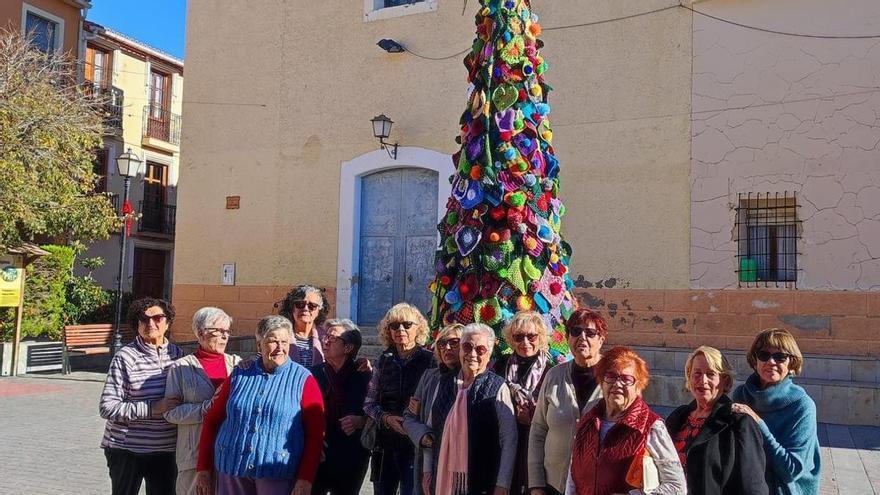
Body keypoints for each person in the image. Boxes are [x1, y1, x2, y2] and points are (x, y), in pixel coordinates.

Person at [195, 315, 325, 495]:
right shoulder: (240, 373)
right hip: (231, 470)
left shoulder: (304, 380)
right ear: (259, 345)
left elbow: (315, 435)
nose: (280, 348)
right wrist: (204, 469)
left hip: (277, 473)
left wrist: (305, 479)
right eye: (272, 341)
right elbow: (212, 421)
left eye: (285, 342)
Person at [566, 346, 686, 495]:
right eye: (611, 376)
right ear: (602, 382)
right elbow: (572, 480)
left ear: (638, 387)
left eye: (626, 379)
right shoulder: (587, 423)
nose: (617, 384)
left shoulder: (651, 427)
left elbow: (676, 486)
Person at [99, 297, 185, 495]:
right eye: (143, 319)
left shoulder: (178, 356)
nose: (150, 324)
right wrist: (153, 407)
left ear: (168, 322)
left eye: (157, 318)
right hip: (126, 448)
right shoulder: (125, 357)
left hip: (166, 449)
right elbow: (107, 407)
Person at [429, 323, 517, 495]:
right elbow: (431, 428)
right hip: (443, 478)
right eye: (467, 346)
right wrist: (427, 471)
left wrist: (503, 484)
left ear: (489, 353)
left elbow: (509, 439)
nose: (472, 354)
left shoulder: (498, 387)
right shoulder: (444, 383)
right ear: (461, 349)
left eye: (480, 349)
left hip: (483, 481)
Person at [666, 346, 768, 495]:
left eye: (710, 374)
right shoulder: (678, 417)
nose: (703, 380)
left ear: (724, 380)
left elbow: (752, 484)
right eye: (697, 374)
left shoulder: (739, 423)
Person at [731, 328, 821, 495]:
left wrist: (758, 423)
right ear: (755, 360)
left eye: (780, 357)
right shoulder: (741, 395)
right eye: (764, 355)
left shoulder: (802, 406)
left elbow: (791, 470)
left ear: (791, 363)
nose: (771, 362)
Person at [528, 309, 606, 495]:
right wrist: (536, 484)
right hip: (554, 484)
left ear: (601, 339)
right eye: (576, 331)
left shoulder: (614, 378)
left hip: (598, 486)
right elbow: (538, 430)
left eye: (590, 333)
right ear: (568, 338)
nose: (582, 337)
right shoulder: (554, 375)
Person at [164, 307, 241, 495]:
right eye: (218, 331)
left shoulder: (236, 364)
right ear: (200, 333)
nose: (224, 336)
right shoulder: (181, 367)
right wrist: (206, 409)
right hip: (193, 456)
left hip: (230, 454)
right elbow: (170, 412)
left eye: (227, 332)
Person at [363, 302, 435, 495]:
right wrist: (386, 419)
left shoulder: (431, 361)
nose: (400, 329)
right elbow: (369, 404)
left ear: (419, 327)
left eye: (406, 324)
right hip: (385, 446)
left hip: (416, 446)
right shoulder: (383, 360)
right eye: (394, 325)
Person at [494, 311, 556, 495]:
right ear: (511, 339)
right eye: (519, 337)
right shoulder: (500, 365)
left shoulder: (551, 371)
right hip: (504, 441)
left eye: (531, 336)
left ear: (541, 337)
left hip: (536, 444)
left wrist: (532, 417)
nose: (525, 342)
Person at [310, 319, 372, 495]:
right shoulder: (313, 375)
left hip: (352, 454)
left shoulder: (364, 376)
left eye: (333, 338)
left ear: (348, 348)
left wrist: (361, 421)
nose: (326, 341)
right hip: (320, 450)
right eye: (325, 337)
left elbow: (376, 411)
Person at [404, 323, 465, 495]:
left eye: (454, 342)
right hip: (430, 459)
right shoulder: (429, 377)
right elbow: (409, 416)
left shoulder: (472, 379)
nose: (447, 348)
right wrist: (423, 435)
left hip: (459, 460)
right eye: (441, 343)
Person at [279, 285, 330, 367]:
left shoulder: (326, 337)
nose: (305, 309)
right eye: (300, 304)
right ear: (292, 308)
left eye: (312, 306)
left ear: (319, 311)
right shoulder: (280, 334)